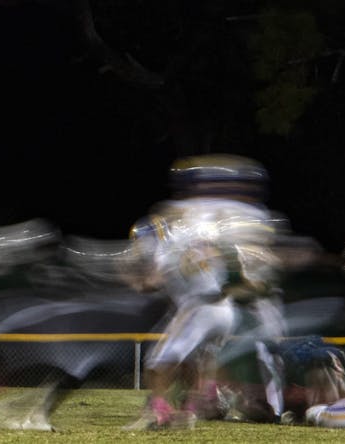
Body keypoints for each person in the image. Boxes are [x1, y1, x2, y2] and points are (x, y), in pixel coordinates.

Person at [122, 154, 285, 431]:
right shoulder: (209, 237)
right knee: (198, 360)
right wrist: (252, 285)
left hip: (199, 308)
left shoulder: (167, 243)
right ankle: (196, 405)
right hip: (225, 311)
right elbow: (236, 273)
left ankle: (162, 413)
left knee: (155, 365)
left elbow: (153, 281)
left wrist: (137, 282)